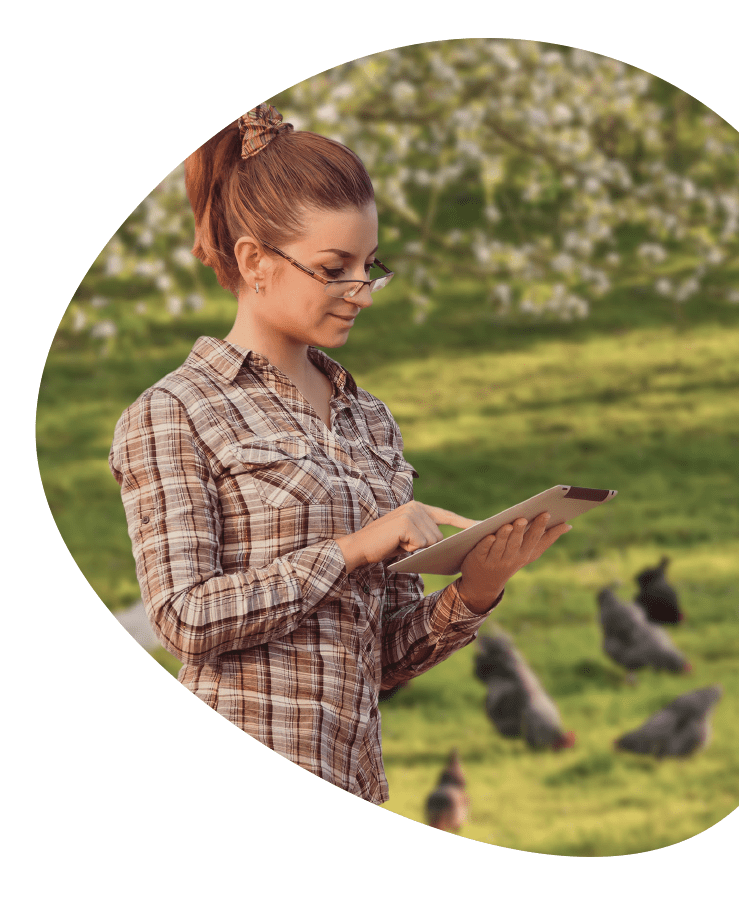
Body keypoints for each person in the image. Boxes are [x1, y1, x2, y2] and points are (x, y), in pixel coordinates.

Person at [108, 102, 571, 804]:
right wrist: (352, 549)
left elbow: (383, 656)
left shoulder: (371, 423)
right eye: (334, 269)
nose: (362, 293)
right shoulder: (176, 412)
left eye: (369, 266)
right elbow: (184, 619)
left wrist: (476, 588)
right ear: (255, 261)